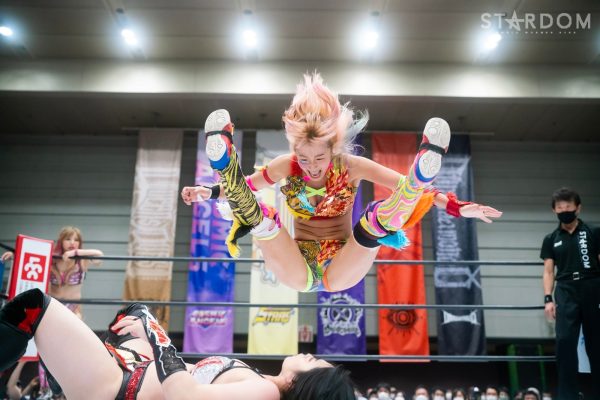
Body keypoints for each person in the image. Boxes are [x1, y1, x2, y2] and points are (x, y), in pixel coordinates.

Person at [181, 73, 502, 293]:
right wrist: (207, 191)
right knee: (258, 218)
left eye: (319, 158)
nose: (311, 167)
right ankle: (224, 163)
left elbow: (408, 187)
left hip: (345, 258)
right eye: (303, 159)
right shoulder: (285, 165)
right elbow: (248, 186)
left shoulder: (351, 165)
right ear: (295, 151)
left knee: (377, 220)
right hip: (298, 263)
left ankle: (420, 176)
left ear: (333, 149)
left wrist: (457, 206)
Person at [0, 288, 356, 400]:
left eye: (315, 363)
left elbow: (185, 395)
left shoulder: (266, 393)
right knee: (130, 316)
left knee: (32, 308)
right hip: (126, 375)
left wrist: (154, 332)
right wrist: (143, 341)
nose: (310, 354)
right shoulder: (260, 385)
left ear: (306, 385)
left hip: (118, 388)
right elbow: (185, 376)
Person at [540, 187, 600, 400]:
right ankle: (568, 396)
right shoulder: (551, 238)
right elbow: (548, 271)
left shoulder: (593, 232)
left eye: (568, 207)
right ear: (554, 210)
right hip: (565, 289)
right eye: (560, 207)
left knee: (597, 343)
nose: (564, 210)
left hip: (593, 286)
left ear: (578, 208)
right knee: (565, 342)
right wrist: (548, 298)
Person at [1, 226, 104, 319]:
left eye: (76, 240)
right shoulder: (52, 257)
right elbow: (30, 259)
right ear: (61, 241)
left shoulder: (82, 259)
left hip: (73, 305)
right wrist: (14, 256)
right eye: (68, 239)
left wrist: (75, 252)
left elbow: (99, 255)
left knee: (73, 327)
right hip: (52, 303)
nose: (72, 242)